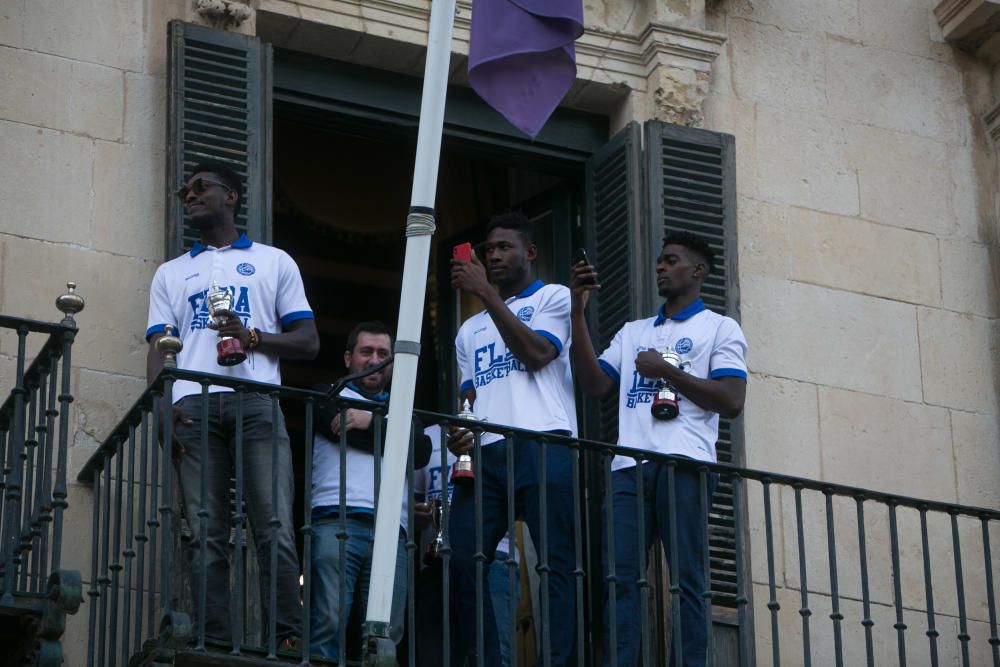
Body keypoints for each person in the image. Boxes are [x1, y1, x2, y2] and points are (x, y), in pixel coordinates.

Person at [145, 161, 319, 647]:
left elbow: (308, 342)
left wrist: (253, 336)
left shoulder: (274, 261)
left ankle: (287, 638)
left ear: (232, 196)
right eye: (185, 192)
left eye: (201, 188)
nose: (191, 196)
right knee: (205, 531)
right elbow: (159, 348)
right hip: (192, 407)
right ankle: (215, 639)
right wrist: (162, 409)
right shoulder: (171, 273)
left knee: (275, 526)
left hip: (257, 401)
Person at [569, 231, 748, 667]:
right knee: (620, 577)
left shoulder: (720, 328)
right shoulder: (633, 332)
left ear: (698, 271)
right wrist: (576, 311)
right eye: (659, 261)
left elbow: (732, 400)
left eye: (671, 260)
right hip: (628, 465)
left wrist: (666, 370)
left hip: (685, 464)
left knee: (688, 577)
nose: (660, 268)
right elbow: (594, 385)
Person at [448, 211, 578, 666]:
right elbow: (469, 396)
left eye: (504, 247)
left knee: (557, 562)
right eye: (488, 249)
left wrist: (484, 292)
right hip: (485, 455)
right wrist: (457, 432)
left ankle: (557, 660)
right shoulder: (468, 331)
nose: (494, 255)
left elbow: (538, 354)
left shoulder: (554, 297)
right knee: (462, 558)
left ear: (531, 252)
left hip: (543, 442)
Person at [309, 321, 431, 661]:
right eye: (366, 352)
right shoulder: (326, 393)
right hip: (336, 523)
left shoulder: (405, 408)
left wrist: (367, 422)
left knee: (386, 637)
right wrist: (390, 434)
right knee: (328, 623)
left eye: (382, 354)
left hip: (392, 534)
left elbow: (419, 453)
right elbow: (335, 428)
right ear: (348, 358)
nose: (374, 359)